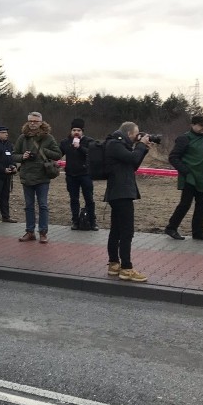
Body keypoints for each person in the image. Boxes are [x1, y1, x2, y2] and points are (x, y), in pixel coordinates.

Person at [105, 122, 151, 282]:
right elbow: (132, 157)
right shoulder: (115, 144)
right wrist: (140, 146)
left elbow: (133, 165)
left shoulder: (120, 145)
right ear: (129, 133)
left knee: (117, 230)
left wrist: (143, 149)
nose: (137, 136)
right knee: (126, 232)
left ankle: (114, 264)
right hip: (120, 193)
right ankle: (126, 268)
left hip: (120, 192)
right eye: (136, 134)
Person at [164, 114, 203, 241]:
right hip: (190, 177)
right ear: (192, 125)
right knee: (185, 204)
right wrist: (185, 171)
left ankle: (198, 232)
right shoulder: (184, 138)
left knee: (202, 206)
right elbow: (173, 157)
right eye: (200, 125)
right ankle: (171, 227)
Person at [13, 111, 61, 243]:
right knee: (28, 206)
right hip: (27, 176)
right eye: (30, 121)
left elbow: (58, 154)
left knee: (43, 205)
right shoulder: (22, 138)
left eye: (35, 121)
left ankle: (43, 232)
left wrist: (44, 151)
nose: (33, 124)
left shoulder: (48, 138)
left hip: (42, 177)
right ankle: (29, 232)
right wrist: (23, 156)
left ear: (41, 122)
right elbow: (13, 154)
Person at [59, 118, 99, 231]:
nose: (76, 132)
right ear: (71, 131)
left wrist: (79, 147)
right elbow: (58, 154)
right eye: (74, 130)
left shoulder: (89, 141)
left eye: (79, 130)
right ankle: (75, 221)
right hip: (71, 175)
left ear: (82, 131)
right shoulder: (65, 142)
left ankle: (92, 221)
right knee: (74, 199)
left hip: (85, 174)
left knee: (89, 199)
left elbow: (92, 154)